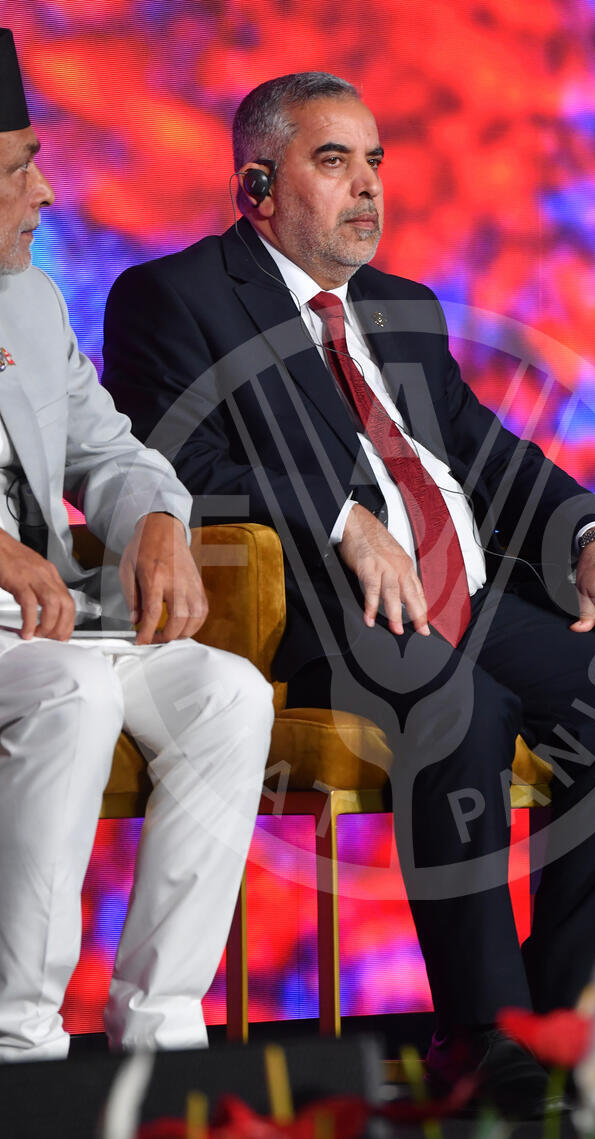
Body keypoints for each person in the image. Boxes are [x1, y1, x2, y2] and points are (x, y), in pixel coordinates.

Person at [102, 71, 595, 1112]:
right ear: (256, 186)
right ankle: (483, 1034)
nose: (367, 186)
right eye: (333, 162)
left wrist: (594, 533)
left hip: (470, 598)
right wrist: (340, 518)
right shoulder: (175, 297)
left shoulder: (403, 309)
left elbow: (489, 456)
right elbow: (176, 466)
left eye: (374, 161)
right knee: (461, 707)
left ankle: (565, 1025)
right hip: (325, 611)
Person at [0, 28, 274, 1061]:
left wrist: (157, 517)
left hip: (57, 621)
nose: (44, 195)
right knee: (71, 694)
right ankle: (20, 1036)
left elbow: (110, 450)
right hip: (35, 646)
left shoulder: (30, 300)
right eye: (19, 169)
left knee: (229, 695)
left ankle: (160, 1029)